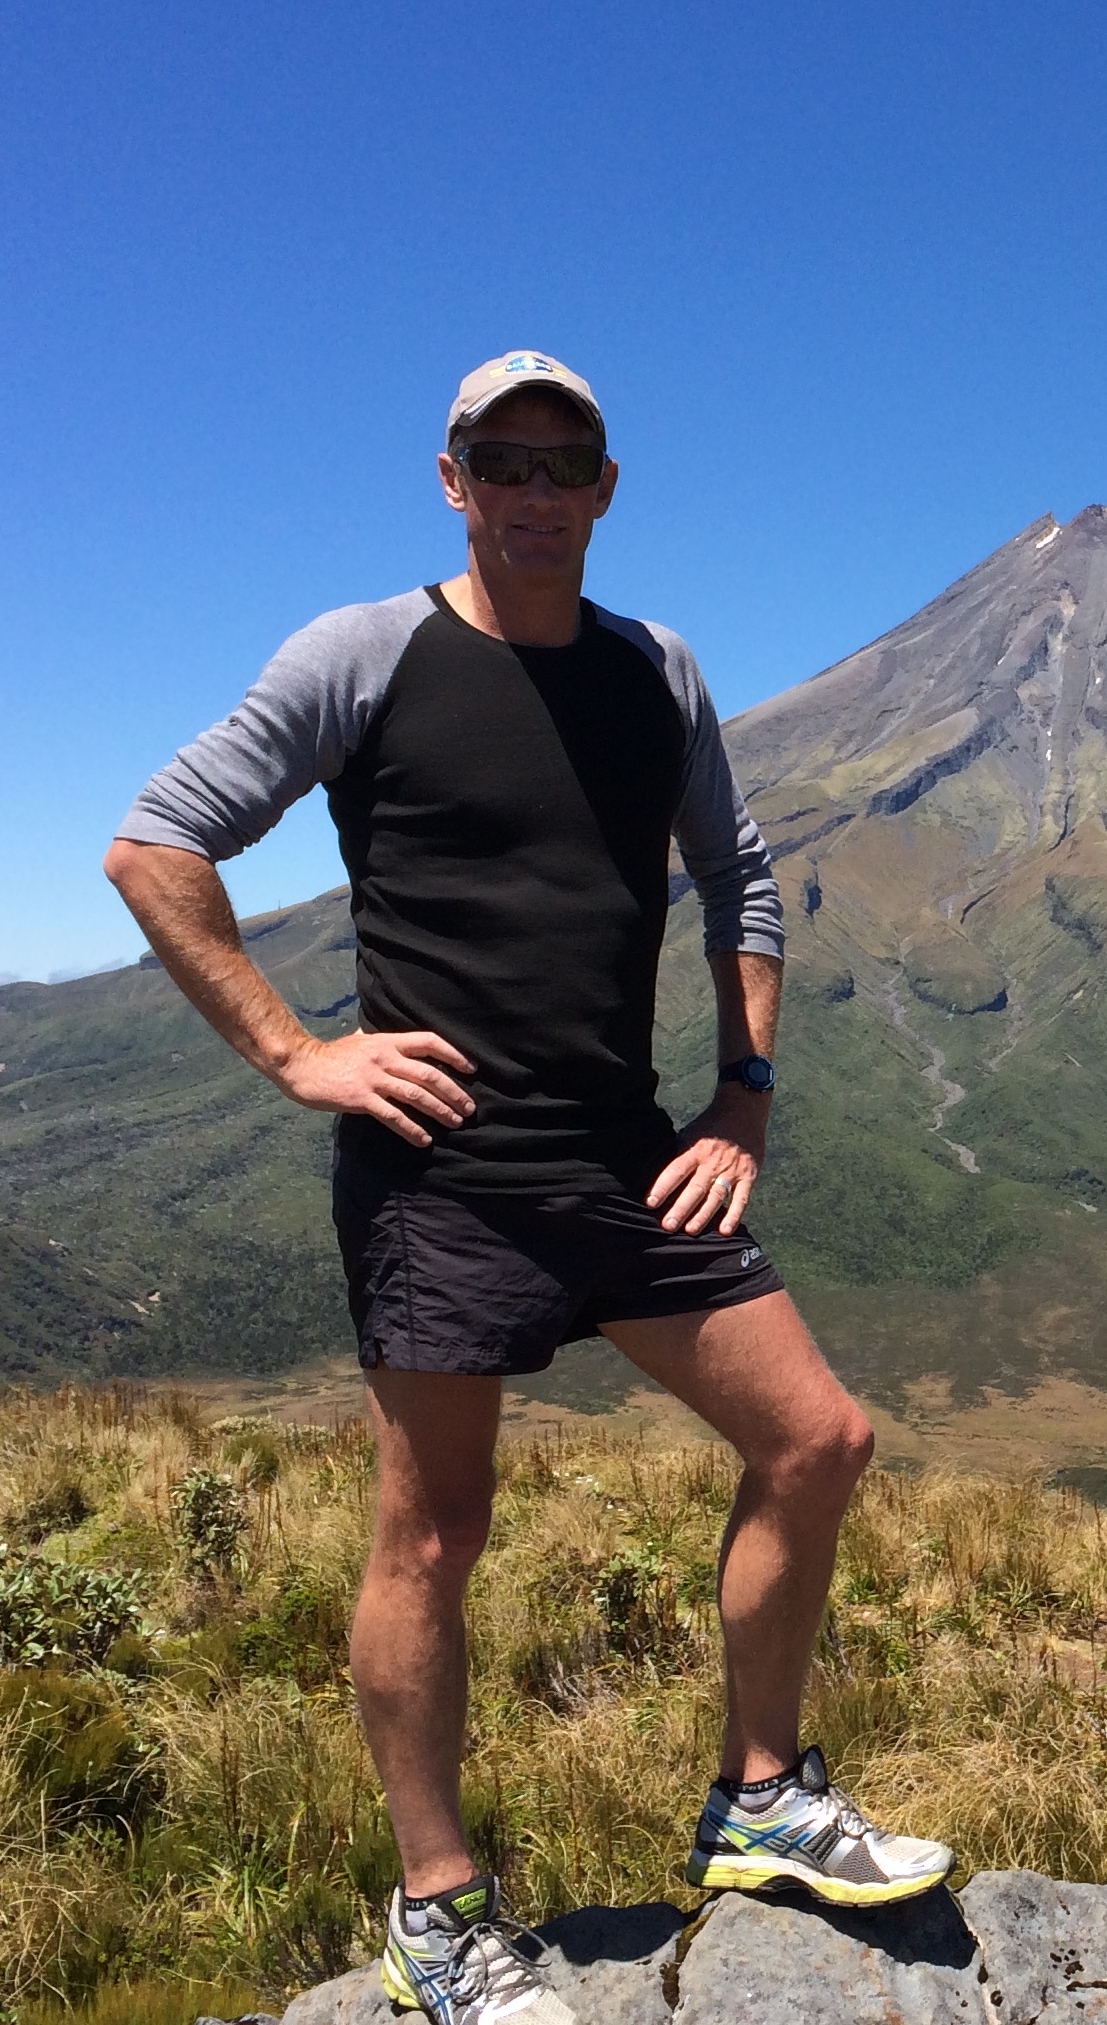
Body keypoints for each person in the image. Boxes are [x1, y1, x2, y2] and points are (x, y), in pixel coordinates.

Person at [104, 352, 951, 2025]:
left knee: (820, 1439)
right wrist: (300, 1055)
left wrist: (742, 1094)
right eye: (508, 459)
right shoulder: (366, 654)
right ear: (454, 477)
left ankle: (760, 1798)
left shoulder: (659, 669)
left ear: (607, 488)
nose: (538, 490)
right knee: (434, 1529)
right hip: (443, 1175)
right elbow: (157, 839)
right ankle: (440, 1908)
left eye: (569, 463)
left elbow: (744, 873)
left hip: (623, 1146)